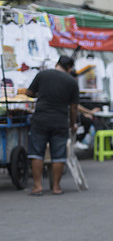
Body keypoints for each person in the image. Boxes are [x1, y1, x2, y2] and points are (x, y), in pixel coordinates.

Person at [25, 55, 79, 196]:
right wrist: (72, 124)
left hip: (40, 119)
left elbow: (29, 93)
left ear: (57, 63)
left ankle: (37, 186)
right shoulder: (72, 82)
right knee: (58, 154)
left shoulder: (42, 75)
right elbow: (74, 107)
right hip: (60, 121)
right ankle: (56, 187)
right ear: (69, 68)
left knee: (37, 152)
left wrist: (41, 93)